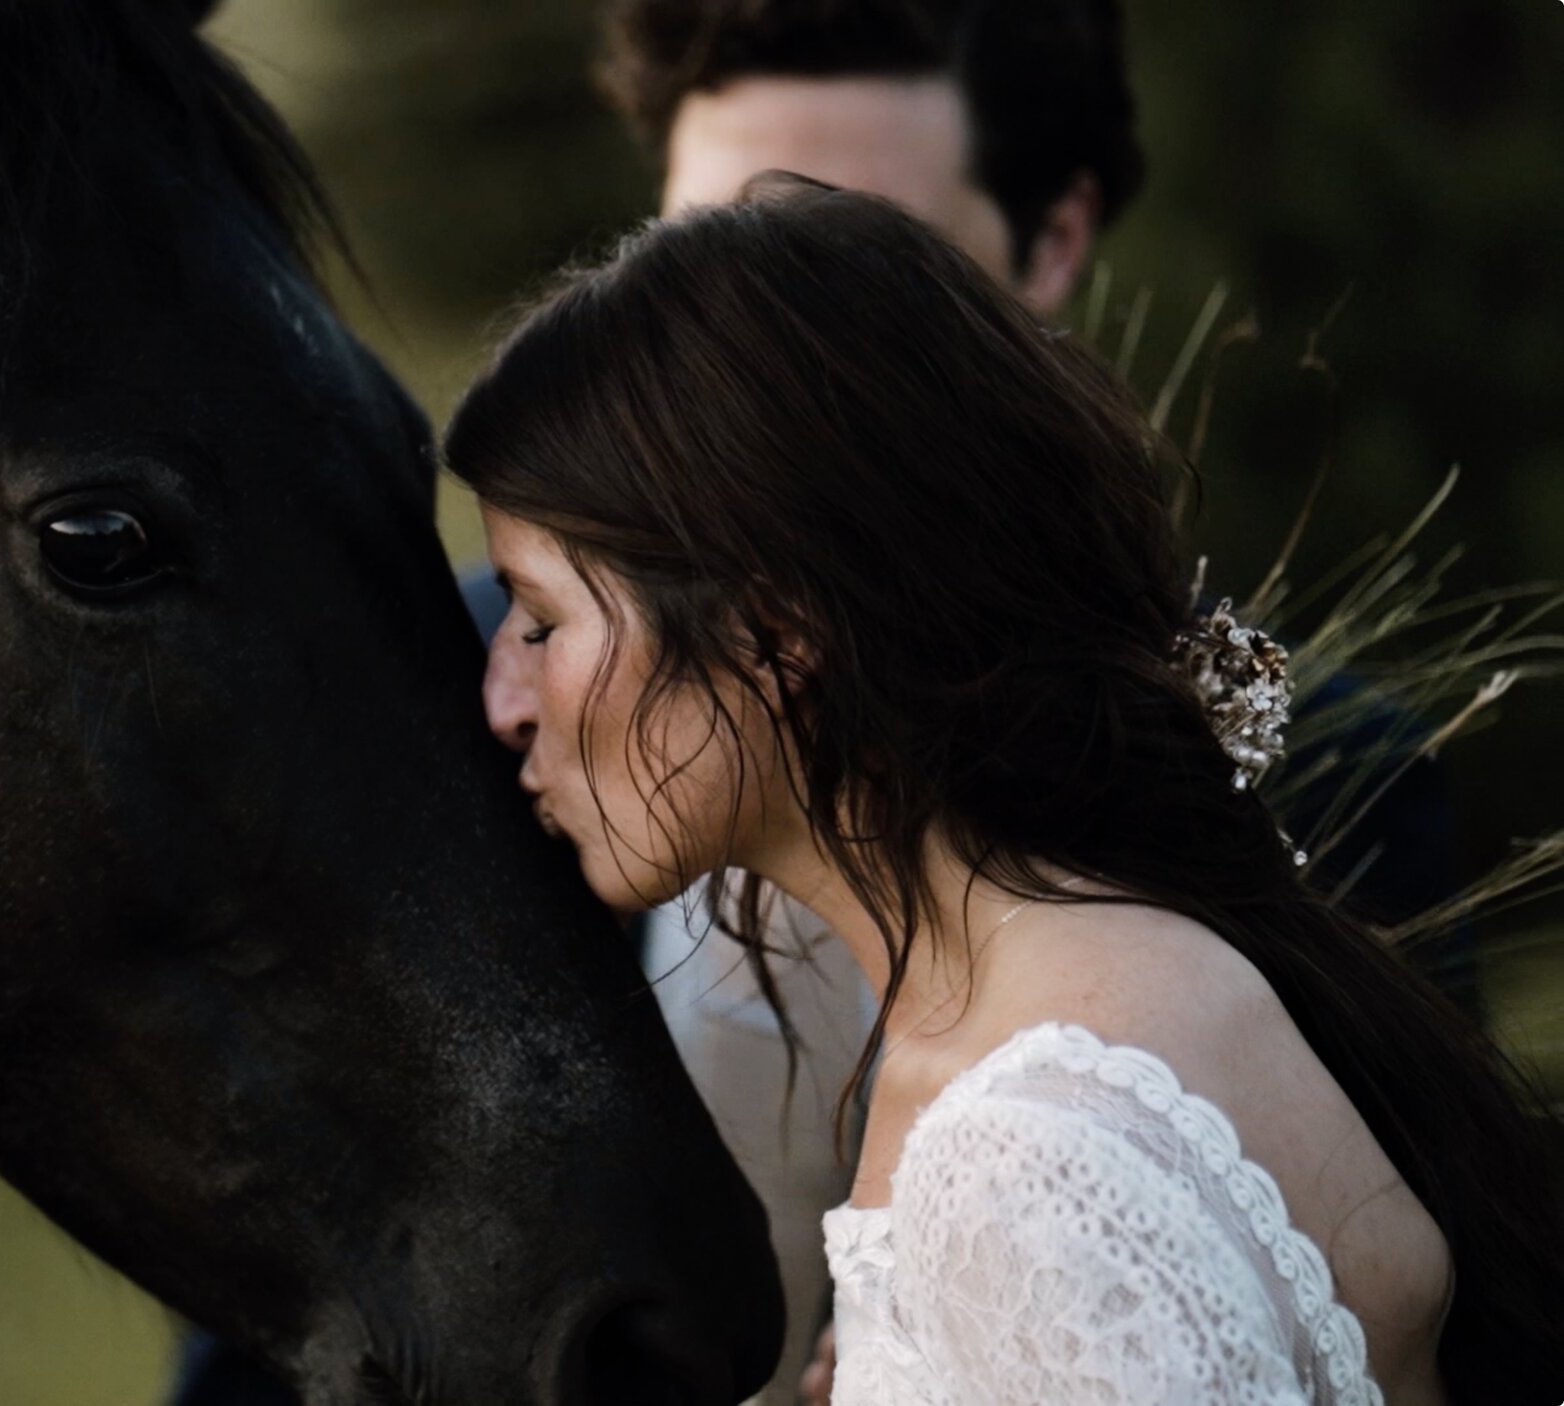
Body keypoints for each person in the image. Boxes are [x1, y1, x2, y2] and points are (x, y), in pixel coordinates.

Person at [451, 177, 1564, 1405]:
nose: (503, 696)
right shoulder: (1160, 956)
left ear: (773, 636)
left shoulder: (1025, 1152)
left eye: (542, 620)